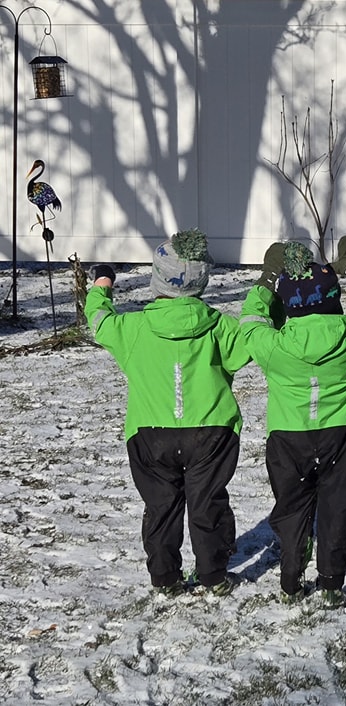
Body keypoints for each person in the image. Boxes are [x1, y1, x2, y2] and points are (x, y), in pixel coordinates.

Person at [85, 228, 250, 597]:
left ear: (156, 278)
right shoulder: (220, 326)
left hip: (150, 433)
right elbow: (248, 343)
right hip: (211, 431)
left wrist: (102, 282)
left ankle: (165, 577)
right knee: (207, 502)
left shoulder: (134, 327)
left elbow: (98, 319)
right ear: (202, 282)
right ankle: (214, 575)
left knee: (161, 505)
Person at [238, 236, 346, 606]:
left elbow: (251, 321)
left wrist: (267, 278)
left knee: (291, 508)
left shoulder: (273, 346)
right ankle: (332, 584)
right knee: (341, 509)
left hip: (288, 439)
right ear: (334, 299)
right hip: (344, 438)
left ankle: (290, 578)